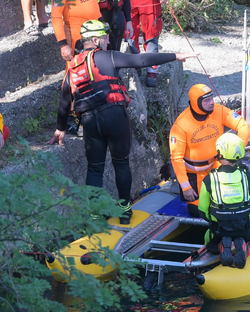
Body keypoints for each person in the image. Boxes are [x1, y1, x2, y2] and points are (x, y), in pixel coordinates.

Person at [48, 20, 199, 222]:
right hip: (114, 117)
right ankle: (125, 210)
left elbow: (65, 97)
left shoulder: (73, 66)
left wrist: (60, 128)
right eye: (105, 37)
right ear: (95, 40)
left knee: (94, 168)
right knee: (121, 163)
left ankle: (94, 216)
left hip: (91, 122)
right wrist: (175, 56)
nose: (108, 39)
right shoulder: (107, 56)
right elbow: (140, 60)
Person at [169, 83, 250, 217]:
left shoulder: (219, 110)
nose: (211, 102)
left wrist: (234, 154)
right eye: (206, 100)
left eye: (212, 98)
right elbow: (176, 157)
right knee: (197, 211)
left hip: (218, 164)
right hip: (195, 172)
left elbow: (244, 127)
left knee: (228, 203)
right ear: (196, 102)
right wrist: (186, 187)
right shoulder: (180, 125)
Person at [198, 132, 250, 269]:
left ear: (220, 154)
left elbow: (203, 212)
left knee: (209, 241)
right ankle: (245, 246)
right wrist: (244, 219)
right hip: (245, 229)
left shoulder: (209, 179)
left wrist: (217, 220)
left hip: (219, 231)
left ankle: (221, 245)